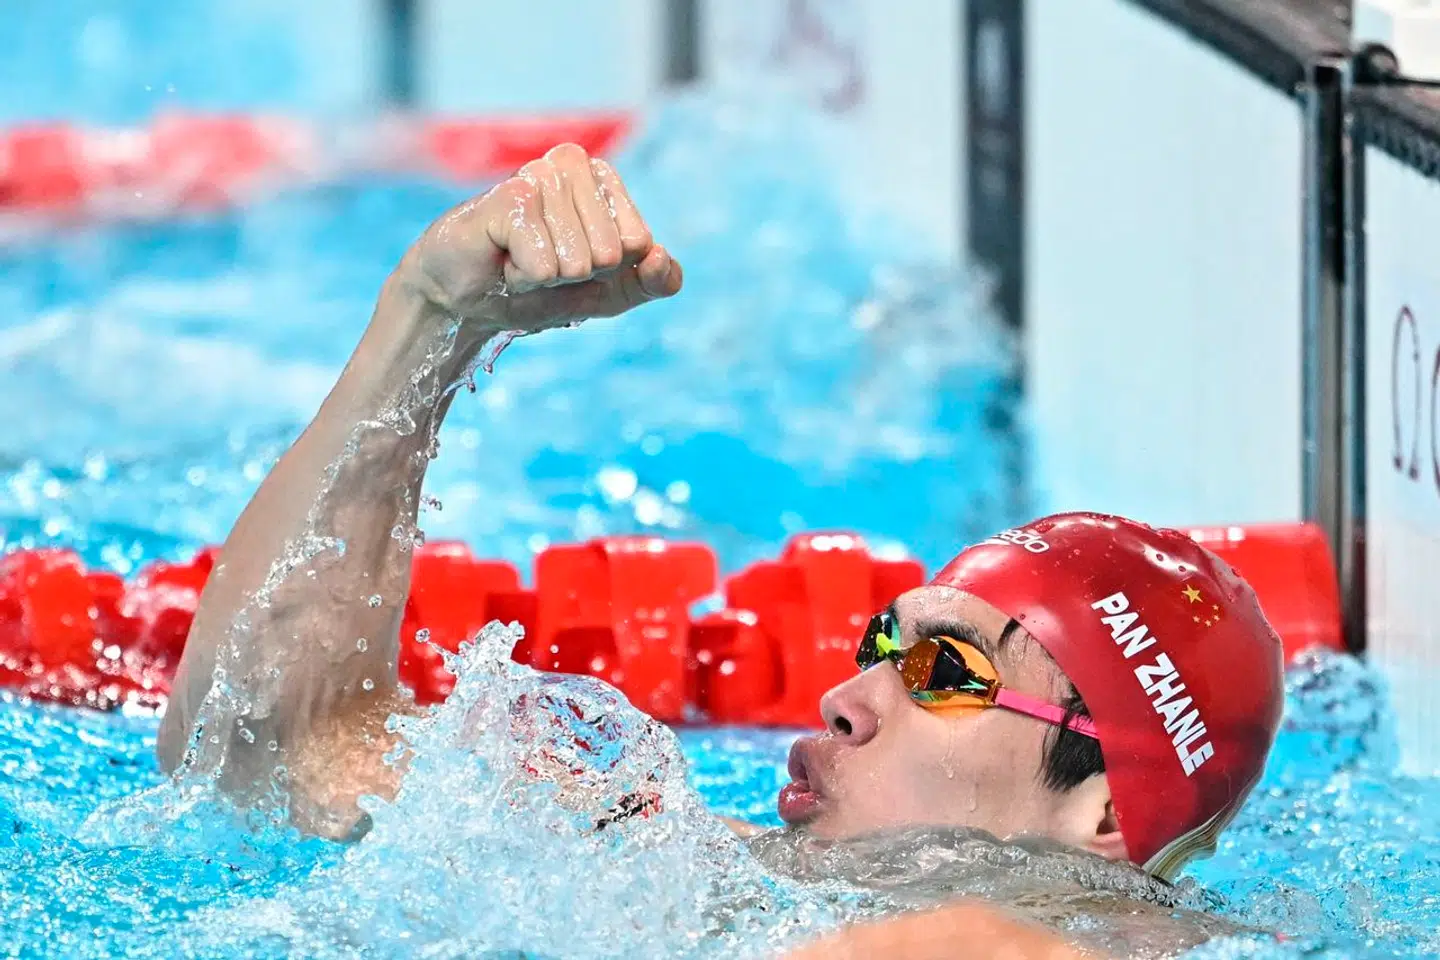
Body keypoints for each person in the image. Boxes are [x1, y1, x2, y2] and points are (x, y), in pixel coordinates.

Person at [155, 144, 1284, 953]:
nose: (846, 695)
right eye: (884, 641)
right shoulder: (705, 880)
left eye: (947, 672)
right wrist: (432, 321)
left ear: (1101, 813)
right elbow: (263, 750)